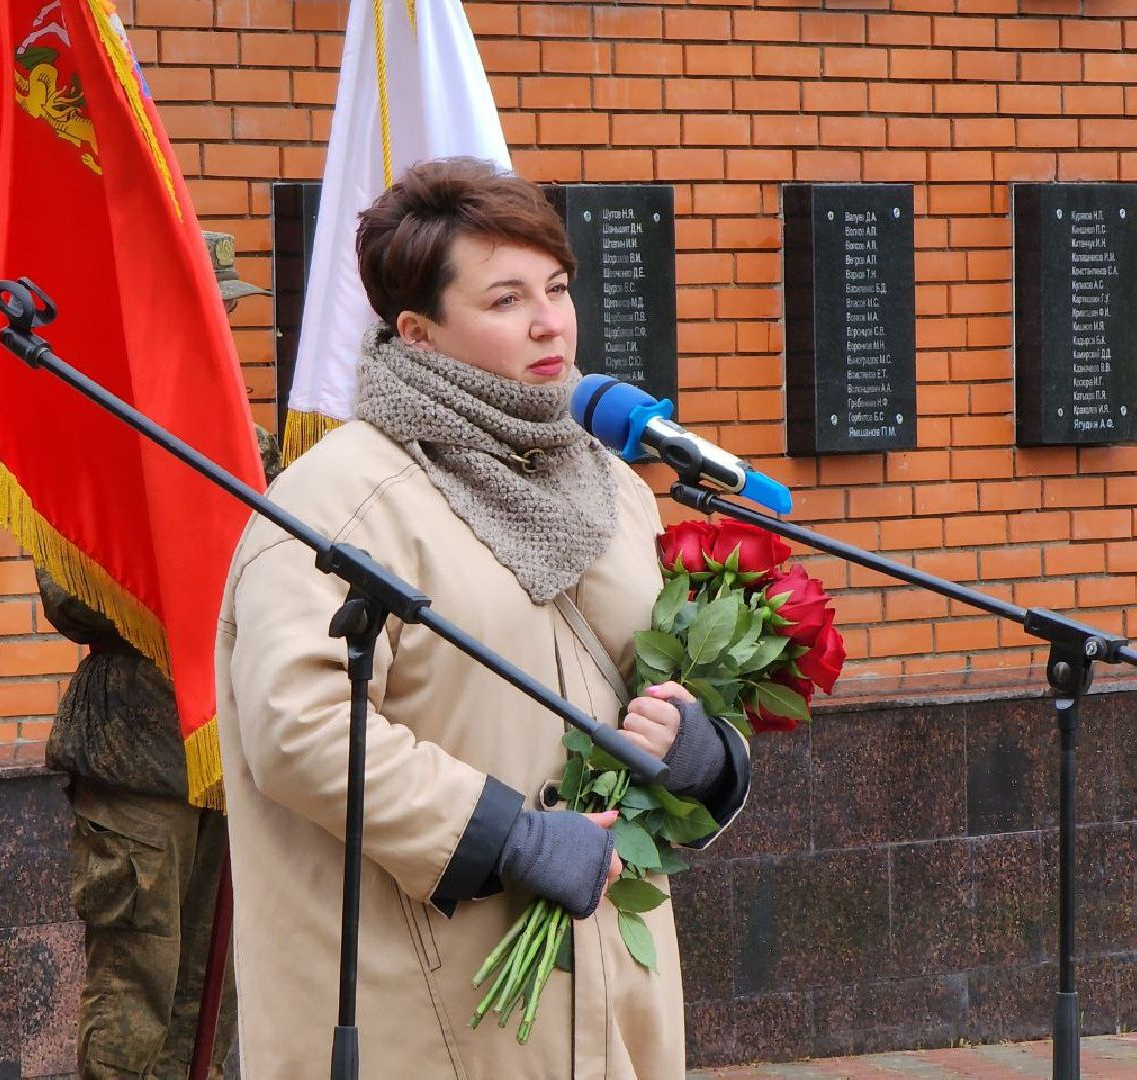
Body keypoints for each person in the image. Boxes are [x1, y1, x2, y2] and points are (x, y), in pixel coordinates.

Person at [216, 158, 753, 1077]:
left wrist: (702, 752)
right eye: (505, 299)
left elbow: (648, 675)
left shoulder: (611, 485)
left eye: (555, 286)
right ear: (418, 333)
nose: (549, 321)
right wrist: (503, 833)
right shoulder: (343, 500)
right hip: (431, 1003)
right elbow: (297, 728)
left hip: (609, 990)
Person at [38, 231, 277, 1080]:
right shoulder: (106, 428)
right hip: (137, 756)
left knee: (214, 997)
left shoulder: (251, 443)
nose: (225, 327)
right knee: (137, 986)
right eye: (214, 309)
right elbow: (66, 595)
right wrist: (181, 564)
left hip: (236, 751)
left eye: (233, 312)